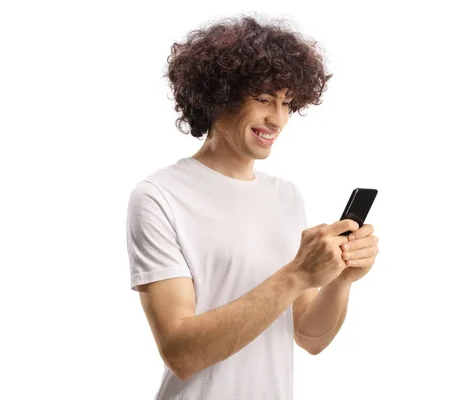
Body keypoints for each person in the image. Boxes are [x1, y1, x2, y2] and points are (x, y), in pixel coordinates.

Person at [126, 14, 379, 400]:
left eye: (287, 104)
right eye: (263, 100)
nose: (277, 119)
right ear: (218, 95)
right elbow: (181, 352)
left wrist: (341, 279)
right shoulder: (159, 196)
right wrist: (297, 273)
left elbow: (309, 336)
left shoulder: (286, 196)